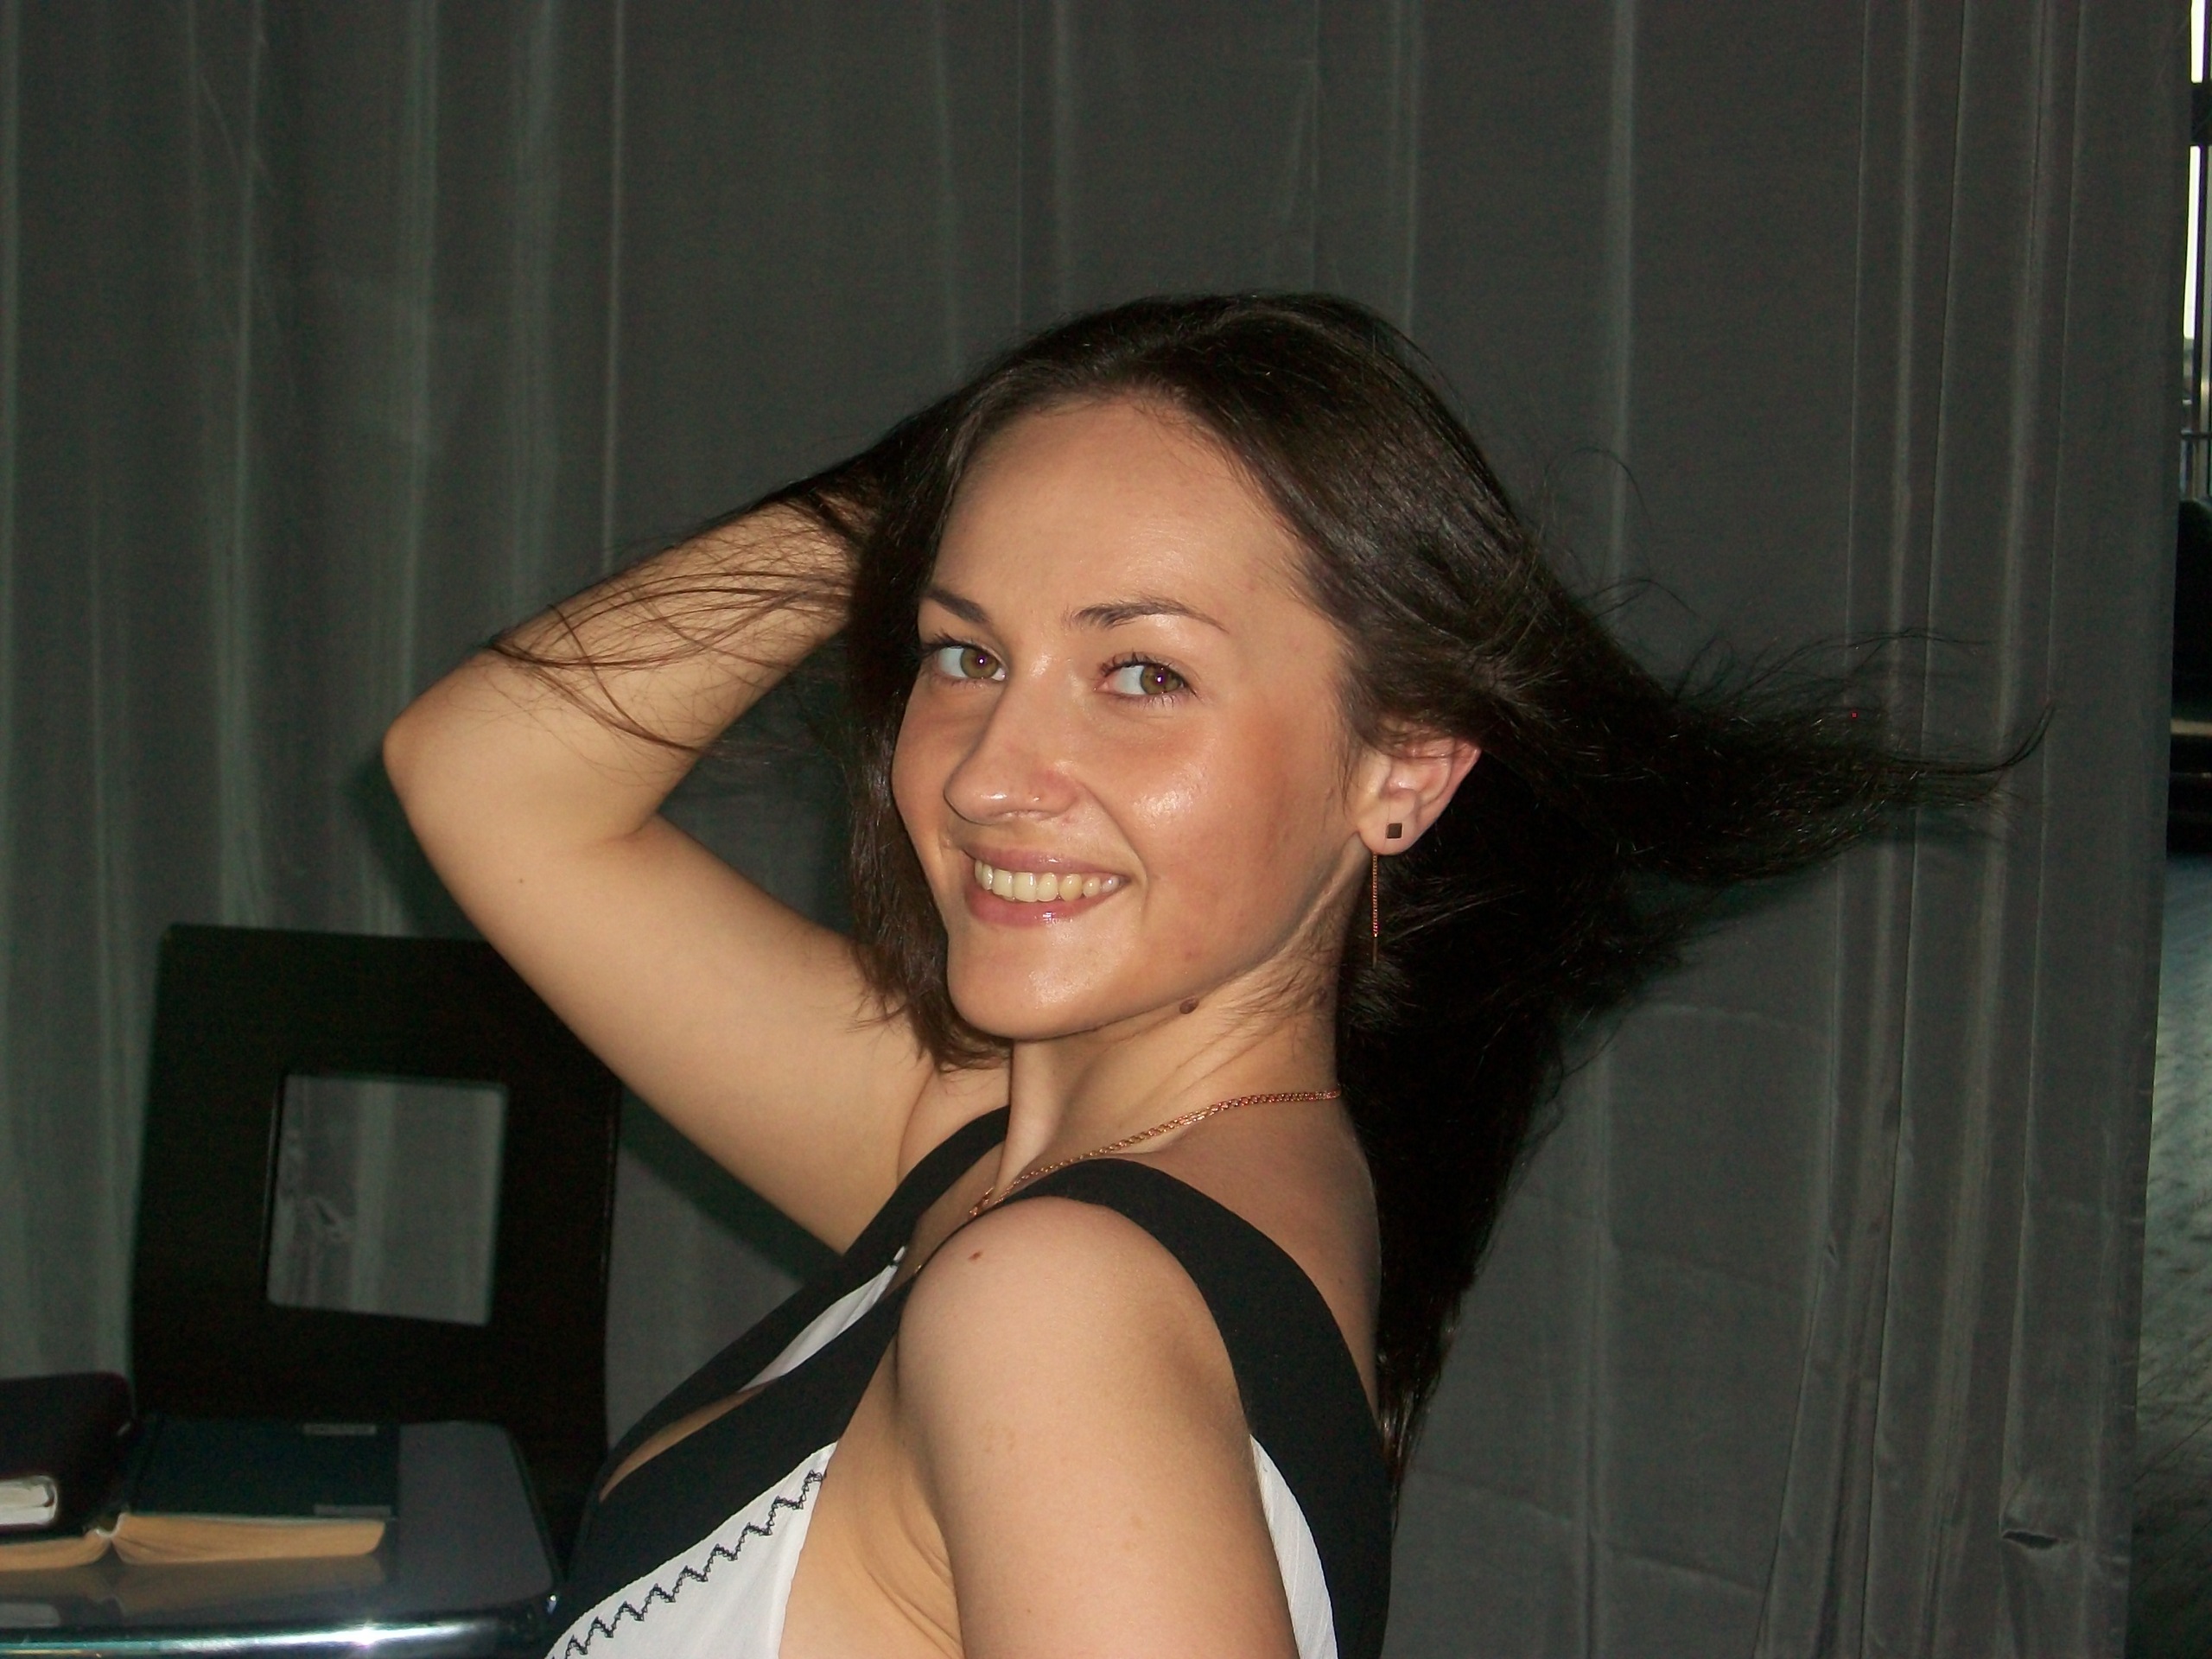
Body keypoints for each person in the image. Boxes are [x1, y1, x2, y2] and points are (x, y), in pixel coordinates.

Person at [385, 294, 1992, 1659]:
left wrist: (966, 482)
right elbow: (485, 777)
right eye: (967, 652)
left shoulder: (1057, 1304)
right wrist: (940, 480)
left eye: (1142, 673)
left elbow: (492, 786)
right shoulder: (1013, 1161)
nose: (988, 774)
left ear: (1405, 764)